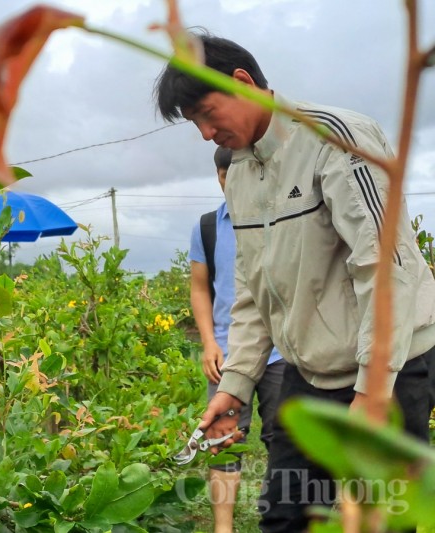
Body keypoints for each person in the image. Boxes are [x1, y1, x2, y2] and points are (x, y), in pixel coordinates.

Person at [155, 33, 435, 532]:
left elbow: (384, 266)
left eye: (206, 113)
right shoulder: (240, 172)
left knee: (376, 523)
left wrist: (371, 395)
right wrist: (237, 384)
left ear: (242, 82)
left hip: (389, 369)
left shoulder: (335, 138)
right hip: (309, 374)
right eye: (195, 123)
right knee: (286, 518)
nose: (204, 134)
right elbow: (252, 287)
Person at [189, 146, 285, 533]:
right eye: (224, 176)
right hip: (226, 355)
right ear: (218, 176)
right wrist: (209, 342)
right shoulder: (208, 226)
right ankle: (223, 528)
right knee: (222, 438)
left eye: (237, 174)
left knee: (285, 438)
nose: (230, 183)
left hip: (280, 352)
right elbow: (199, 288)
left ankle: (280, 514)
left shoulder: (278, 217)